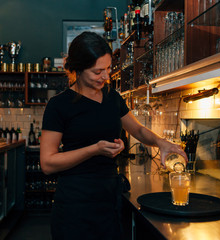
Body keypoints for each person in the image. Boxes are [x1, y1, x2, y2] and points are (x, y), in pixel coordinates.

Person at [40, 31, 187, 240]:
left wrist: (161, 143)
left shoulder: (112, 97)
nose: (106, 76)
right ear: (78, 70)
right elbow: (47, 163)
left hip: (109, 199)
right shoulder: (58, 106)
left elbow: (137, 130)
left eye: (108, 68)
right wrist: (95, 149)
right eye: (98, 71)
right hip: (75, 204)